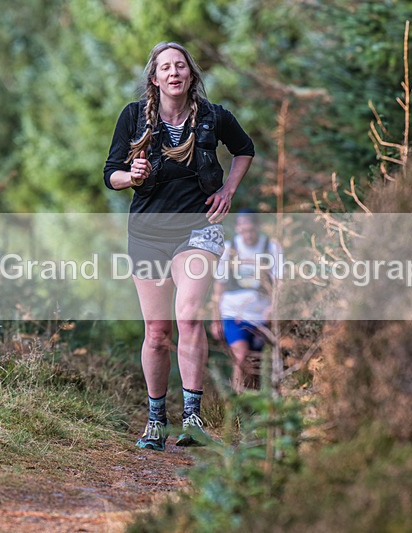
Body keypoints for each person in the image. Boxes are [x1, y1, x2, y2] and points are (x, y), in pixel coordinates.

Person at [103, 42, 254, 451]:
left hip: (198, 230)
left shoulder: (212, 116)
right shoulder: (133, 117)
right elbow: (110, 174)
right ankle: (156, 420)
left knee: (188, 318)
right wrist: (130, 176)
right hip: (148, 234)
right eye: (165, 67)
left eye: (180, 66)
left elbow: (245, 149)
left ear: (190, 75)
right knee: (156, 332)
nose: (174, 73)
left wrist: (228, 190)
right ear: (154, 78)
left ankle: (192, 418)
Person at [211, 210, 282, 392]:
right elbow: (219, 287)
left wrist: (273, 308)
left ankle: (257, 407)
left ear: (257, 227)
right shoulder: (229, 249)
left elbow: (279, 283)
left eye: (251, 229)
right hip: (233, 313)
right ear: (237, 228)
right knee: (240, 357)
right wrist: (215, 318)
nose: (248, 234)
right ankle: (237, 405)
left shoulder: (271, 247)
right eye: (244, 230)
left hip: (261, 315)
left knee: (257, 363)